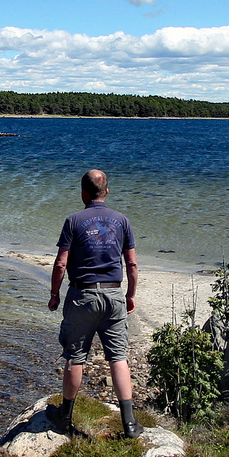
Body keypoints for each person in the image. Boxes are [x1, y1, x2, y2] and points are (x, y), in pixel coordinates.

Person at [46, 168, 142, 438]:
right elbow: (132, 264)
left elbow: (61, 263)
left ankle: (65, 419)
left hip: (83, 296)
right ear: (107, 192)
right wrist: (130, 294)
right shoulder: (122, 220)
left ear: (83, 194)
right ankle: (129, 423)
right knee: (118, 358)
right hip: (113, 295)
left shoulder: (73, 221)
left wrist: (55, 294)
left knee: (75, 357)